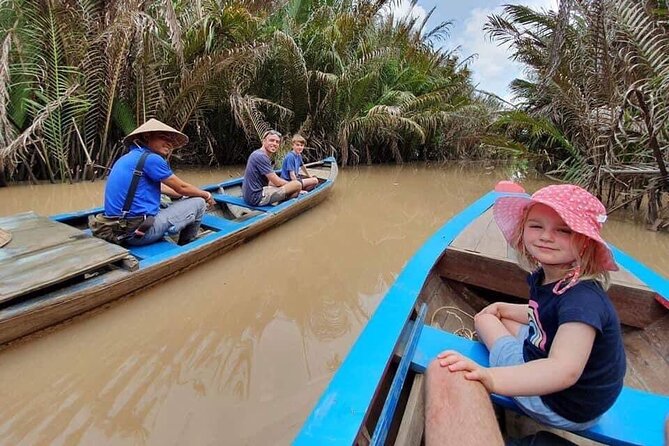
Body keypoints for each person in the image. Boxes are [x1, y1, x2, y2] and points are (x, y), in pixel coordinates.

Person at [434, 184, 625, 431]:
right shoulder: (555, 279)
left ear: (586, 242)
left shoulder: (582, 302)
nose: (546, 236)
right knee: (502, 317)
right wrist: (503, 307)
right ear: (523, 230)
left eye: (563, 230)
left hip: (560, 405)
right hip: (579, 399)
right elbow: (543, 314)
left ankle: (502, 358)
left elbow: (562, 370)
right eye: (537, 226)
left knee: (484, 319)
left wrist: (492, 378)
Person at [101, 118, 216, 246]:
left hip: (116, 228)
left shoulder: (128, 158)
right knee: (199, 203)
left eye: (171, 141)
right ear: (146, 136)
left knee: (169, 201)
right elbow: (181, 187)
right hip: (138, 233)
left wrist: (185, 195)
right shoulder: (152, 159)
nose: (170, 144)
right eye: (164, 138)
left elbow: (173, 191)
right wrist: (206, 195)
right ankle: (187, 243)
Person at [242, 130, 302, 206]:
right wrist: (291, 185)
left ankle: (281, 203)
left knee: (291, 186)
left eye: (277, 142)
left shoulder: (257, 153)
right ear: (264, 141)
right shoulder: (261, 156)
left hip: (249, 195)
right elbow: (277, 181)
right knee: (297, 185)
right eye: (271, 140)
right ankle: (281, 207)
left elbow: (270, 181)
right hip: (256, 198)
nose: (274, 144)